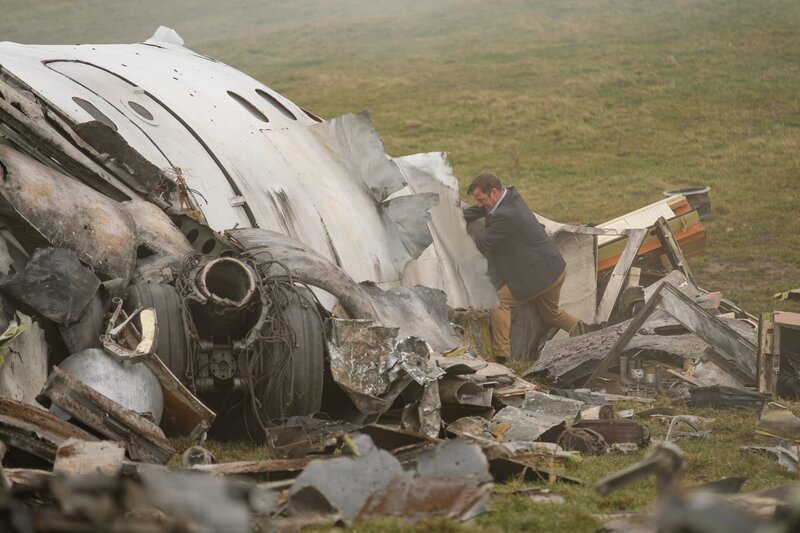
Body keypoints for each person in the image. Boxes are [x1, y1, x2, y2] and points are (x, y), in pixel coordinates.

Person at [463, 172, 578, 362]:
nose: (479, 204)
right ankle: (587, 331)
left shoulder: (507, 216)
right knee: (551, 314)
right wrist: (453, 217)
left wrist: (454, 237)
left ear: (493, 192)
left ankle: (502, 357)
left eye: (481, 199)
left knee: (499, 303)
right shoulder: (509, 197)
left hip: (538, 274)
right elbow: (483, 210)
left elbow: (484, 244)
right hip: (554, 269)